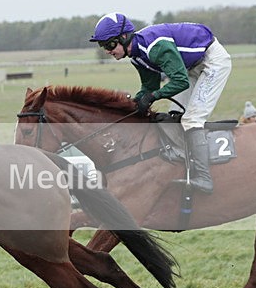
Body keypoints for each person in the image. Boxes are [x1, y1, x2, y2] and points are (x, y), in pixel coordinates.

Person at [89, 12, 232, 193]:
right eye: (103, 46)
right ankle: (183, 165)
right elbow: (149, 86)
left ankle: (204, 178)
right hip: (191, 67)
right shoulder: (137, 57)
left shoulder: (155, 47)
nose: (108, 51)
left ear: (124, 37)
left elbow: (180, 82)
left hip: (212, 63)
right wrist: (134, 104)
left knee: (192, 120)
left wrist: (154, 96)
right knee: (175, 116)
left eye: (110, 44)